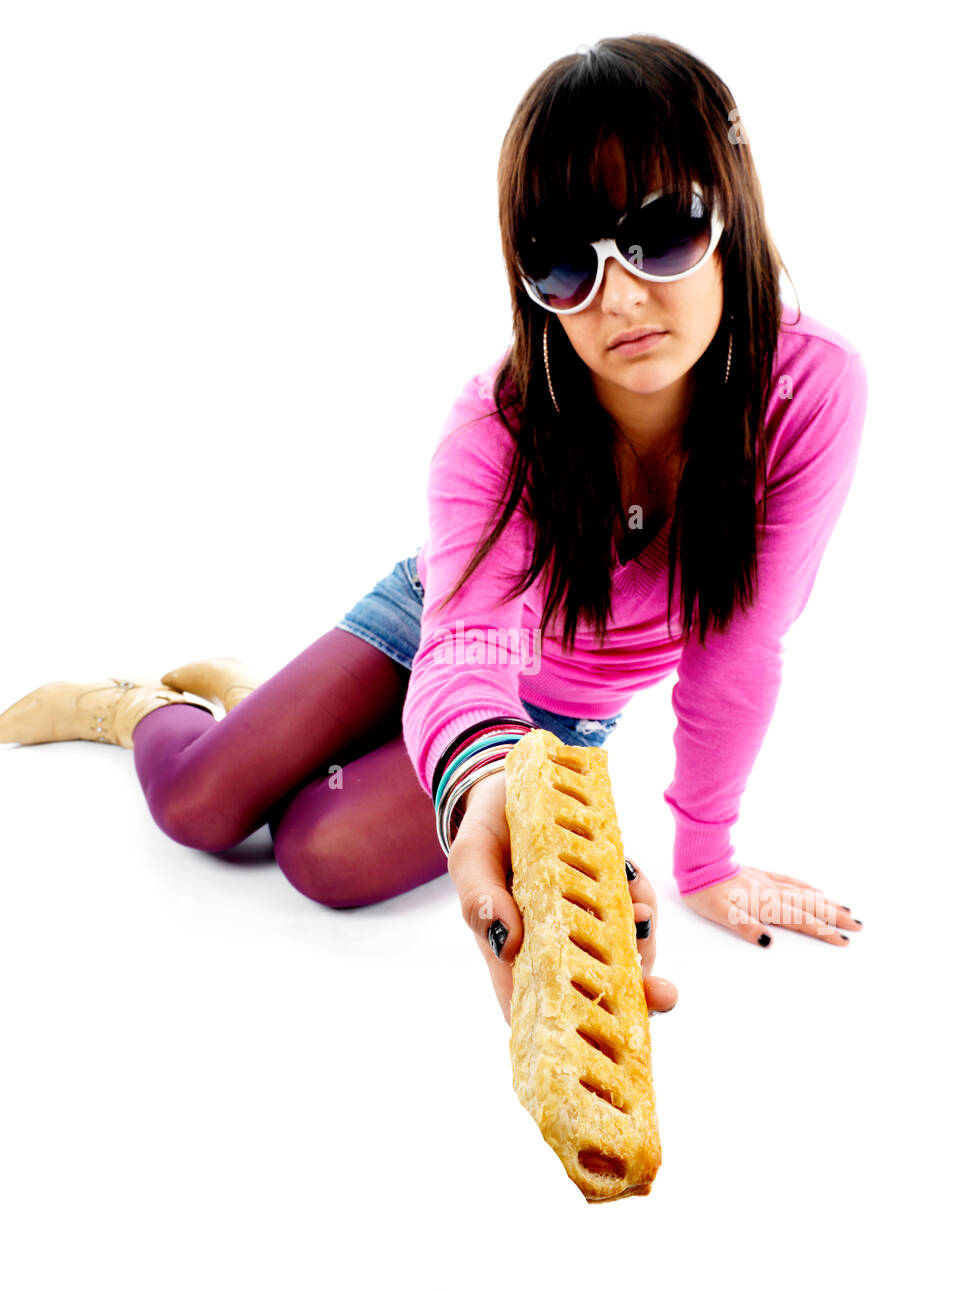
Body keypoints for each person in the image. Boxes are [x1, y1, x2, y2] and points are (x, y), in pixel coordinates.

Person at [0, 34, 867, 1025]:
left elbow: (740, 645)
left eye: (659, 232)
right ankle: (134, 706)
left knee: (314, 851)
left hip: (551, 714)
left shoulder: (808, 390)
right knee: (196, 805)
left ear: (732, 201)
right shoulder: (496, 423)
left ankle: (270, 719)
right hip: (437, 621)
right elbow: (470, 639)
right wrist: (475, 761)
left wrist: (703, 854)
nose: (619, 296)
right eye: (562, 262)